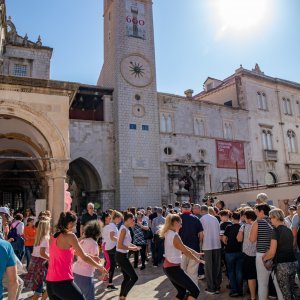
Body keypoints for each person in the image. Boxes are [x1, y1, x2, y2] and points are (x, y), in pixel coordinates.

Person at [46, 211, 107, 300]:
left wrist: (91, 257)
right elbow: (84, 257)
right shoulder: (70, 236)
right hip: (63, 281)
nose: (75, 227)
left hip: (50, 283)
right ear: (70, 224)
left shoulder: (53, 237)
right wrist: (100, 266)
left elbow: (75, 253)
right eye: (74, 224)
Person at [159, 213, 202, 300]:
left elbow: (182, 246)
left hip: (169, 268)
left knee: (182, 292)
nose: (181, 226)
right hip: (172, 268)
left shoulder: (169, 233)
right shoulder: (174, 235)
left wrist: (195, 253)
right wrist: (196, 259)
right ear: (175, 223)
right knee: (195, 291)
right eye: (180, 223)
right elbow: (185, 251)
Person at [249, 203, 283, 300]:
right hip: (275, 253)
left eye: (256, 211)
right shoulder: (275, 221)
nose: (255, 213)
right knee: (278, 283)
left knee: (262, 284)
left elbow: (252, 239)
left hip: (262, 255)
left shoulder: (258, 222)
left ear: (262, 212)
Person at [263, 208, 298, 300]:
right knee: (292, 291)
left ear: (275, 217)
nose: (270, 220)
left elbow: (272, 252)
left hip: (282, 265)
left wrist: (264, 258)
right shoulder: (289, 230)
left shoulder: (275, 231)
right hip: (293, 263)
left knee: (286, 294)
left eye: (270, 218)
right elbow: (292, 247)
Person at [73, 220, 102, 300]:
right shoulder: (94, 243)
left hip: (75, 272)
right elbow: (95, 261)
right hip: (86, 274)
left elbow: (75, 252)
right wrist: (100, 266)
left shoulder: (83, 241)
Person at [116, 212, 140, 300]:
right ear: (128, 219)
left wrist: (133, 246)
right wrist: (131, 248)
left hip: (123, 255)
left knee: (126, 278)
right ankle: (123, 296)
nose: (134, 221)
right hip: (121, 256)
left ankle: (121, 296)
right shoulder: (123, 229)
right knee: (134, 277)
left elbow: (126, 242)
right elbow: (119, 245)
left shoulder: (126, 229)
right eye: (132, 219)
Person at [24, 219, 50, 300]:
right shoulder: (45, 238)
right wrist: (51, 258)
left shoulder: (38, 237)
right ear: (46, 228)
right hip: (41, 263)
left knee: (39, 286)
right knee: (50, 284)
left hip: (35, 261)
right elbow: (42, 253)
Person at [179, 201, 203, 284]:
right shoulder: (196, 219)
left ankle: (184, 290)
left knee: (182, 272)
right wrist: (198, 244)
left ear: (181, 208)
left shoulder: (177, 218)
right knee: (193, 273)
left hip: (180, 250)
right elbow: (201, 234)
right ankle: (193, 292)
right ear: (190, 209)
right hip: (194, 249)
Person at [200, 205, 222, 295]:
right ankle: (217, 287)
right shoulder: (215, 218)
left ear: (202, 211)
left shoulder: (201, 219)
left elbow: (201, 234)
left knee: (209, 268)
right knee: (217, 267)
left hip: (207, 245)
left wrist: (200, 246)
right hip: (217, 245)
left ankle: (211, 288)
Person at [237, 209, 257, 300]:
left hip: (248, 254)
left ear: (246, 217)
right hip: (260, 253)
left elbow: (239, 239)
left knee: (251, 276)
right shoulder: (259, 224)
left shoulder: (244, 226)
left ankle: (252, 297)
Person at [223, 212, 243, 297]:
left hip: (229, 252)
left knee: (231, 271)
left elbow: (224, 239)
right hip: (240, 251)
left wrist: (227, 244)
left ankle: (234, 290)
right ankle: (240, 290)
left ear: (232, 218)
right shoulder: (242, 227)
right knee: (239, 271)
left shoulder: (228, 227)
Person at [102, 210, 122, 291]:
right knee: (112, 265)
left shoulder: (110, 225)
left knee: (112, 265)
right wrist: (121, 240)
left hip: (109, 247)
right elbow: (112, 237)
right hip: (110, 247)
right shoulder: (112, 226)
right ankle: (109, 282)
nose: (120, 220)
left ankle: (109, 282)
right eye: (119, 219)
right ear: (116, 218)